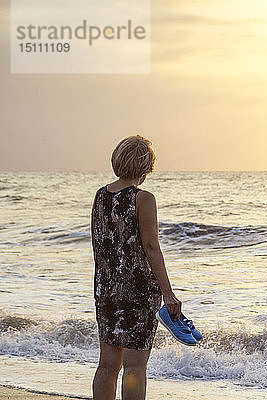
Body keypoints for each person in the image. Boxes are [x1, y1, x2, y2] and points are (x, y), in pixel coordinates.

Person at [91, 134, 181, 400]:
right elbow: (151, 247)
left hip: (105, 289)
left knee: (107, 365)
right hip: (138, 292)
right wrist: (168, 293)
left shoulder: (100, 196)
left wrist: (106, 284)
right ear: (145, 167)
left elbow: (99, 245)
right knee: (135, 367)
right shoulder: (144, 199)